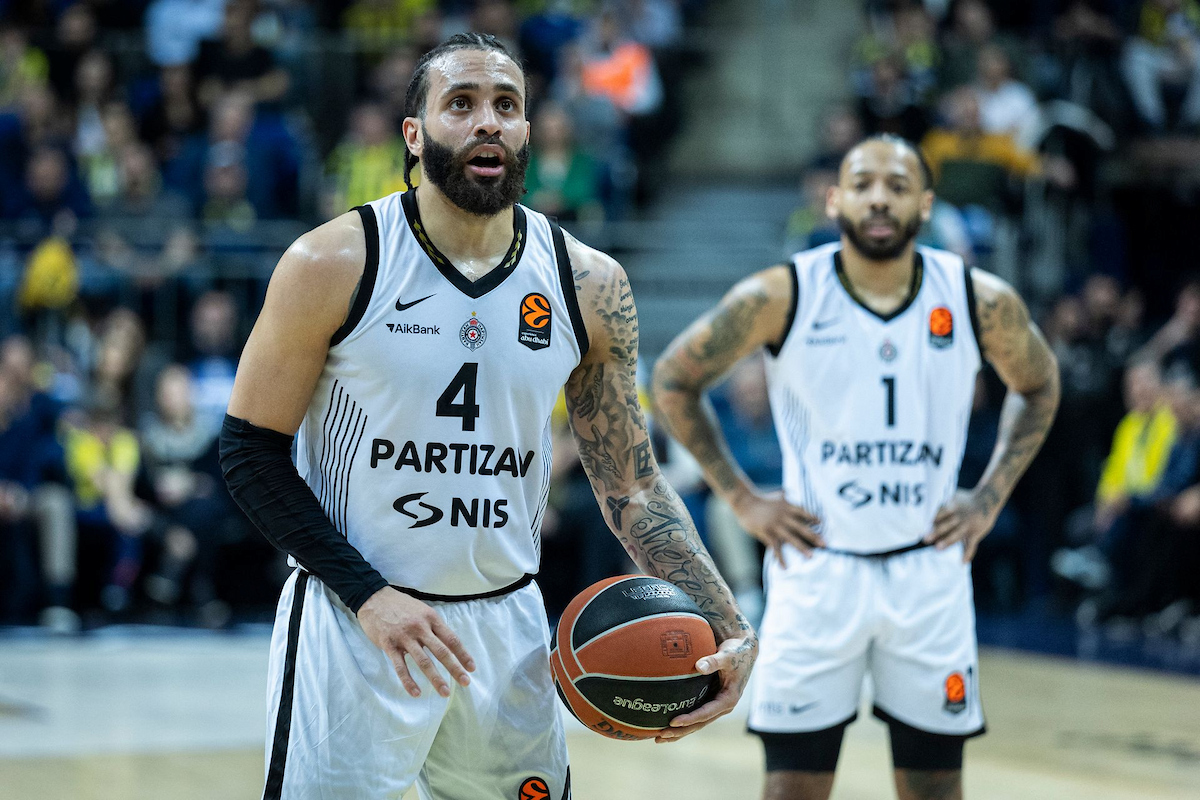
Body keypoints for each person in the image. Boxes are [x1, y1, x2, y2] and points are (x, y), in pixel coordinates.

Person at [218, 33, 755, 800]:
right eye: (461, 104)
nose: (487, 122)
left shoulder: (588, 285)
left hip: (505, 632)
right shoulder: (333, 263)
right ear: (415, 133)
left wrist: (725, 622)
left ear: (530, 130)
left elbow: (632, 488)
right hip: (354, 623)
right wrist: (367, 596)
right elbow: (248, 453)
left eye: (507, 105)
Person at [652, 134, 1060, 800]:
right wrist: (743, 498)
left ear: (924, 205)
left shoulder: (977, 299)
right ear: (835, 197)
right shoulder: (782, 294)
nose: (879, 197)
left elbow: (1039, 383)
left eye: (897, 186)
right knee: (792, 789)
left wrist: (990, 496)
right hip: (818, 573)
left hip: (929, 575)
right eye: (864, 182)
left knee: (934, 788)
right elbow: (673, 379)